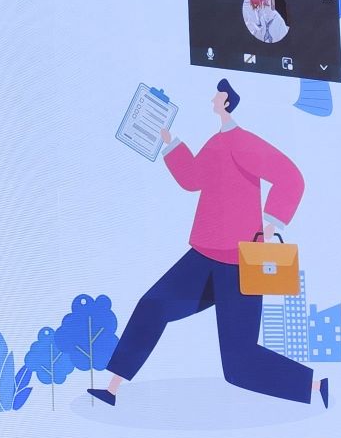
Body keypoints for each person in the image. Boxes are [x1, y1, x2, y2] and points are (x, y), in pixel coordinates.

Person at [90, 79, 328, 409]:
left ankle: (315, 386)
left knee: (239, 364)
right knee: (153, 306)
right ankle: (112, 388)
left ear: (227, 101)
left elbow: (291, 177)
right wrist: (169, 141)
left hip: (238, 266)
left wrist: (271, 224)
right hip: (203, 255)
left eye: (218, 94)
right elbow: (193, 179)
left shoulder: (243, 142)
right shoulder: (217, 141)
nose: (213, 98)